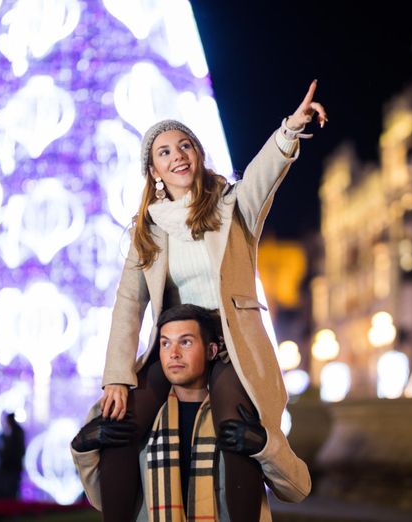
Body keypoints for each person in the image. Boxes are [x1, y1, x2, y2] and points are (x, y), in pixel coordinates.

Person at [96, 81, 326, 521]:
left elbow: (263, 174)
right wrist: (117, 377)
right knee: (116, 430)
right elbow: (128, 303)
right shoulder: (148, 229)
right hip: (177, 343)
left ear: (198, 156)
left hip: (230, 344)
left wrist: (290, 130)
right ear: (154, 173)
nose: (177, 155)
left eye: (185, 145)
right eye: (164, 152)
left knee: (236, 431)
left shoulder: (232, 208)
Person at [73, 304, 286, 520]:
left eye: (185, 342)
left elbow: (296, 489)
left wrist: (263, 446)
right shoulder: (144, 423)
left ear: (212, 350)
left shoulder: (237, 415)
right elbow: (102, 500)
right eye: (165, 344)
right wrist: (82, 446)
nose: (173, 354)